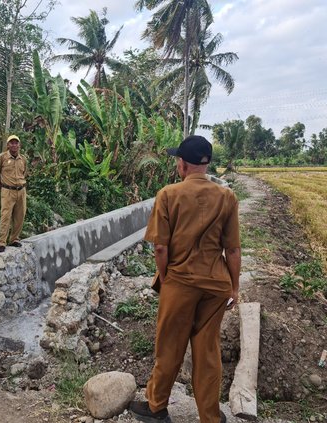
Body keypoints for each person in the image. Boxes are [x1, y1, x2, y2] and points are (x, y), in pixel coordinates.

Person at [129, 135, 241, 423]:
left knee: (169, 346)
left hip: (180, 282)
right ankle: (210, 416)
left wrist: (166, 279)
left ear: (182, 164)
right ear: (206, 164)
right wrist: (234, 287)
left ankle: (156, 408)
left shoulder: (168, 195)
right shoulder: (227, 197)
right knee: (207, 353)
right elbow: (233, 249)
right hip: (216, 286)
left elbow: (161, 247)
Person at [0, 134, 27, 252]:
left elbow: (24, 173)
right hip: (7, 191)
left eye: (16, 143)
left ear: (19, 145)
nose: (14, 145)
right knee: (5, 217)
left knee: (20, 216)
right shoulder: (1, 157)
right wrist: (3, 187)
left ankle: (14, 239)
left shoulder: (22, 159)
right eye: (11, 143)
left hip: (21, 191)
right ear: (8, 145)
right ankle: (2, 242)